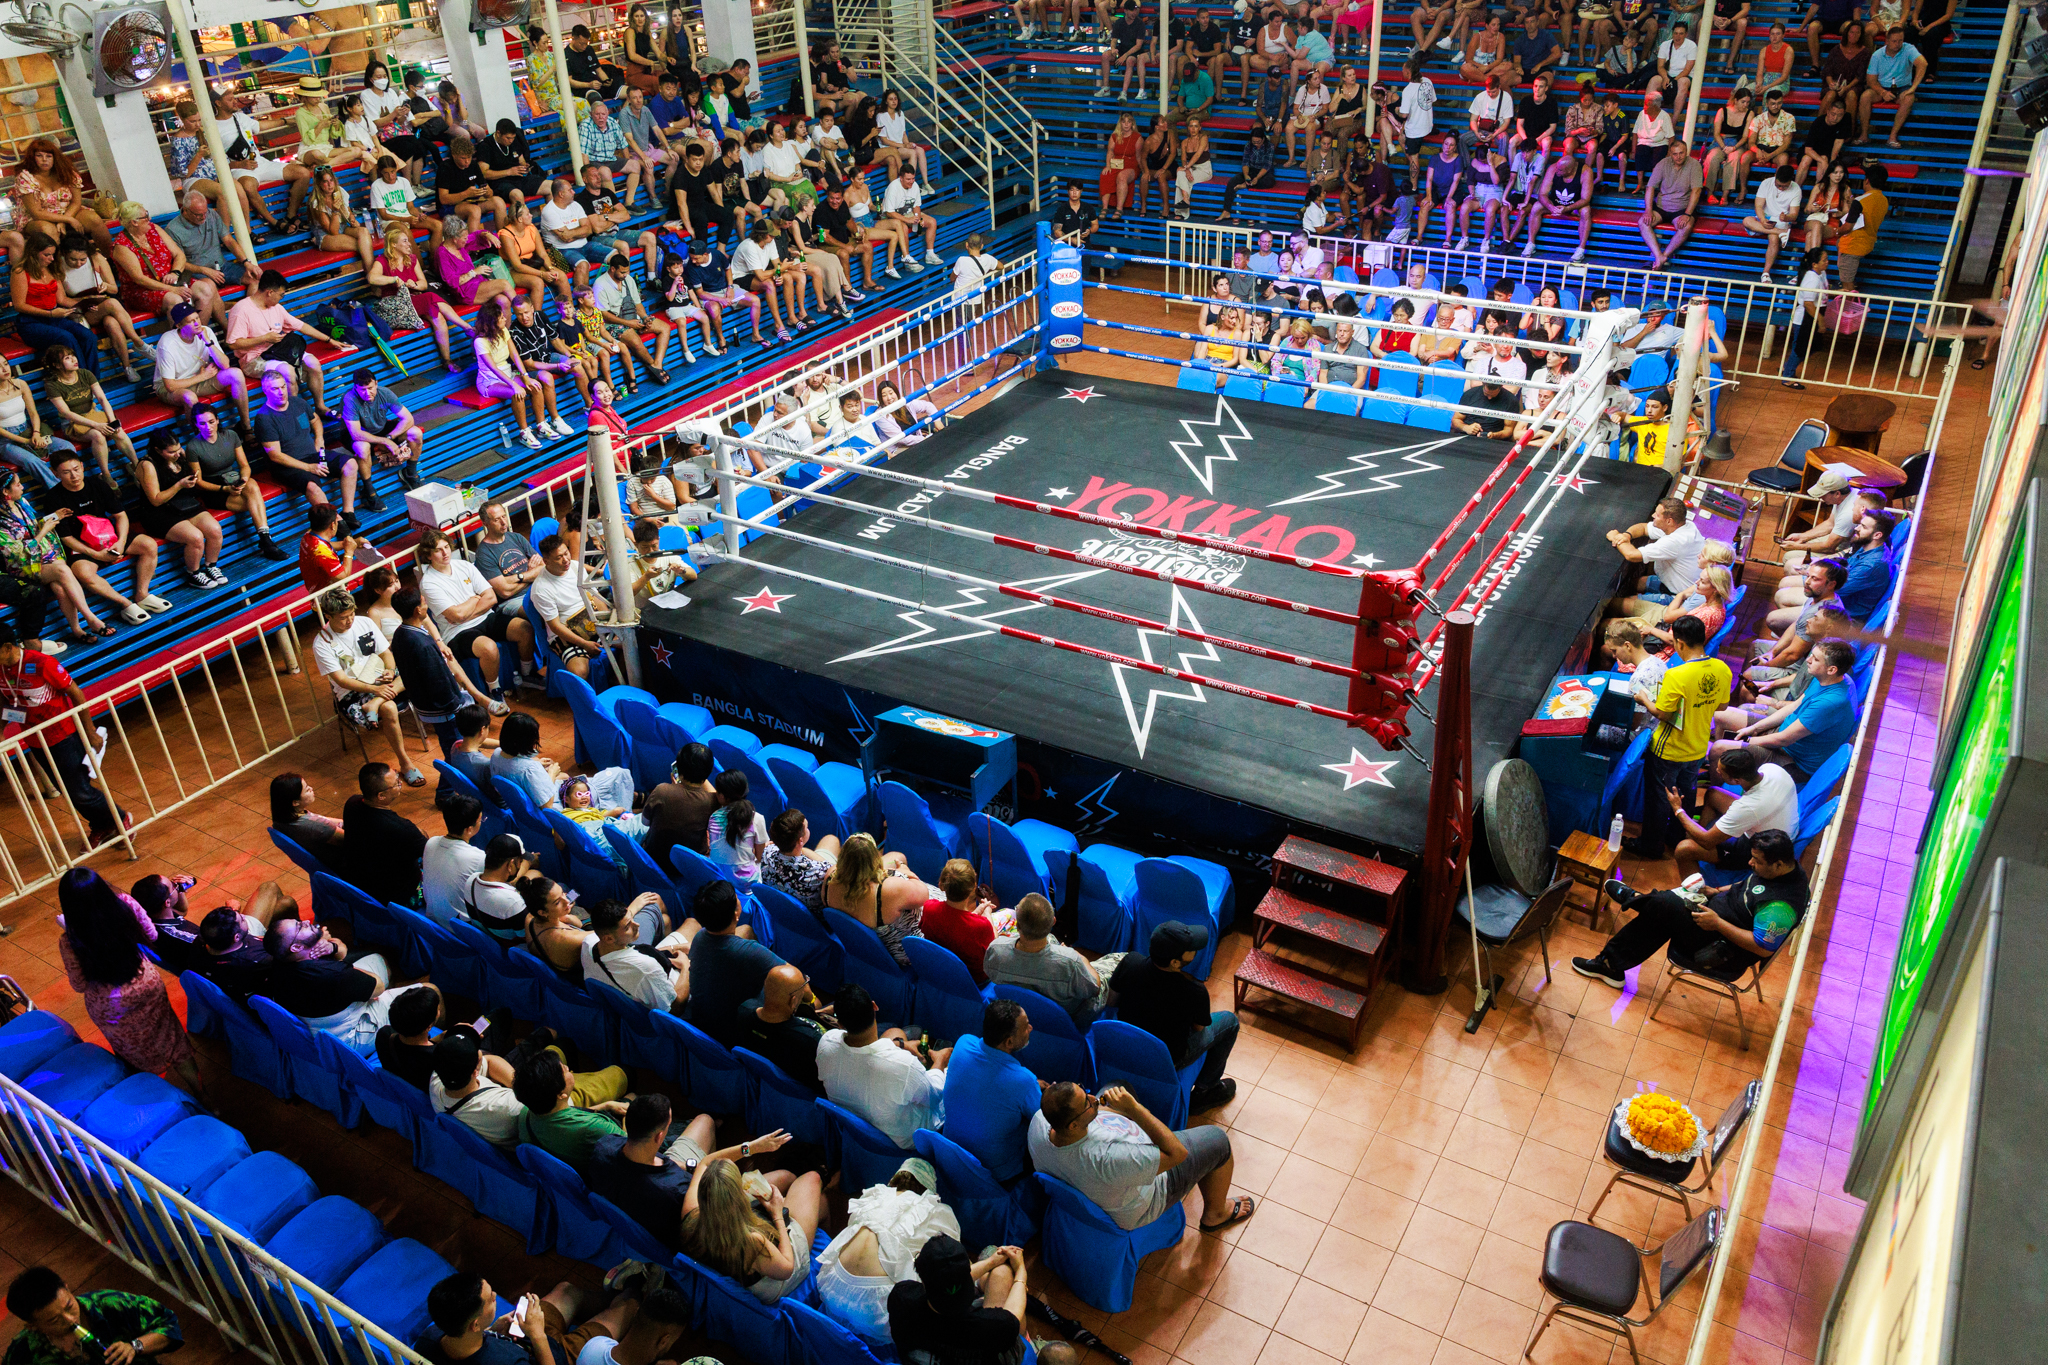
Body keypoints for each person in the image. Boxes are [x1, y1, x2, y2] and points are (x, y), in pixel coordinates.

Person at [1575, 828, 1808, 988]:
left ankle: (1633, 899)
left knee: (1665, 905)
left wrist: (1718, 923)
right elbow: (1747, 886)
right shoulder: (1783, 870)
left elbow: (1763, 948)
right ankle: (1610, 965)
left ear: (1778, 864)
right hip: (1713, 918)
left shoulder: (1780, 908)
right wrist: (1716, 892)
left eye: (1756, 861)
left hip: (1720, 949)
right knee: (1662, 912)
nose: (1750, 863)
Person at [1029, 1081, 1252, 1232]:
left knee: (1115, 1085)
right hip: (1150, 1195)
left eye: (1083, 1090)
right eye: (1086, 1103)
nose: (1091, 1097)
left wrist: (1115, 1109)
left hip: (1095, 1178)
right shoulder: (1108, 1160)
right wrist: (1134, 1109)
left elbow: (1093, 1117)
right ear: (1074, 1124)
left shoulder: (1039, 1122)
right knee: (1218, 1140)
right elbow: (1176, 1154)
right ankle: (1216, 1214)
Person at [589, 1090, 794, 1252]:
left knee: (705, 1120)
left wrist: (689, 1166)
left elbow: (678, 1165)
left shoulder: (603, 1147)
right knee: (784, 1177)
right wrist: (751, 1148)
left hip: (650, 1184)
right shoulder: (677, 1191)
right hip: (698, 1207)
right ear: (660, 1137)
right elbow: (707, 1166)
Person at [56, 867, 202, 1094]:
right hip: (145, 984)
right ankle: (203, 1096)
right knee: (171, 1037)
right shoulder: (126, 903)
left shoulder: (70, 940)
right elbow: (152, 935)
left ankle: (155, 1098)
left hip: (110, 1006)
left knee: (132, 1053)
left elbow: (80, 984)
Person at [0, 621, 128, 839]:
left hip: (63, 736)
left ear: (6, 647)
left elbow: (76, 693)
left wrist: (89, 731)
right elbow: (5, 702)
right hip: (35, 740)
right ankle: (101, 825)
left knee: (81, 791)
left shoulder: (41, 663)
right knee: (69, 791)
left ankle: (120, 819)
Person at [1626, 613, 1728, 859]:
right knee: (1686, 794)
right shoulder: (1722, 669)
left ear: (1679, 643)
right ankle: (1676, 837)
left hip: (1668, 749)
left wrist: (1643, 698)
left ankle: (1651, 846)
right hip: (1697, 746)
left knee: (1659, 799)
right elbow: (1722, 706)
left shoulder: (1677, 675)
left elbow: (1661, 712)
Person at [1108, 922, 1238, 1112]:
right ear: (1175, 962)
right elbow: (1199, 1028)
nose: (1195, 950)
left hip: (1127, 1045)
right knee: (1230, 1022)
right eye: (1191, 949)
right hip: (1167, 1058)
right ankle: (1206, 1090)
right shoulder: (1195, 991)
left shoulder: (1130, 962)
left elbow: (1111, 1001)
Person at [313, 586, 425, 786]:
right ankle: (406, 763)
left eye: (352, 614)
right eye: (343, 617)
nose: (350, 621)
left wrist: (390, 671)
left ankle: (374, 704)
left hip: (379, 678)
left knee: (415, 670)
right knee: (390, 707)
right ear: (328, 616)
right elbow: (341, 680)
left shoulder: (364, 623)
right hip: (353, 692)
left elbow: (386, 655)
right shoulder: (322, 643)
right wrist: (374, 690)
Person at [264, 916, 423, 1053]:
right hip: (349, 1036)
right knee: (429, 992)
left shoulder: (280, 961)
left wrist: (330, 946)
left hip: (324, 1021)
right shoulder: (332, 974)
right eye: (300, 926)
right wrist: (344, 966)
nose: (306, 921)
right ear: (297, 947)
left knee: (379, 960)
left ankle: (387, 1001)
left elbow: (342, 951)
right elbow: (378, 986)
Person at [818, 983, 949, 1148]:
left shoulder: (826, 1042)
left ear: (841, 1023)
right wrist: (939, 1062)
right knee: (953, 1069)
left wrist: (898, 1045)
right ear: (874, 1007)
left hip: (859, 1128)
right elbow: (935, 1097)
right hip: (907, 1139)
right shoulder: (903, 1066)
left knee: (893, 1033)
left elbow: (861, 1053)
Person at [416, 1270, 630, 1365]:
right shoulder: (505, 1362)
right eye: (491, 1299)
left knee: (567, 1291)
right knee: (626, 1309)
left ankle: (619, 1289)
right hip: (554, 1355)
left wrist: (490, 1331)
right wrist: (538, 1335)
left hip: (522, 1337)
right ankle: (637, 1284)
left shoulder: (429, 1339)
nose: (496, 1297)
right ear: (474, 1323)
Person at [941, 997, 1046, 1183]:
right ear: (1009, 1042)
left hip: (951, 1155)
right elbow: (1044, 1122)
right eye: (1026, 1026)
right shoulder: (1023, 1080)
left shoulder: (963, 1043)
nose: (1030, 1029)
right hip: (996, 1174)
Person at [886, 1237, 1030, 1365]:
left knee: (992, 1275)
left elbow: (943, 1283)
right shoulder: (992, 1326)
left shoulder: (902, 1298)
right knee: (1002, 1272)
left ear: (923, 1281)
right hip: (992, 1348)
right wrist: (1020, 1271)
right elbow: (1013, 1316)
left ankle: (984, 1282)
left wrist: (991, 1262)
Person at [2, 1267, 181, 1365]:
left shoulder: (110, 1304)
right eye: (54, 1320)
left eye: (69, 1306)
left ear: (67, 1288)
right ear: (33, 1326)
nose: (71, 1319)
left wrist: (135, 1347)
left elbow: (169, 1324)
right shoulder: (24, 1351)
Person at [1667, 744, 1799, 876]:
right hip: (1776, 825)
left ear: (1736, 780)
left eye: (1720, 772)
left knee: (1684, 849)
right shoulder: (1772, 769)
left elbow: (1707, 842)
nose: (1717, 771)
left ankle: (1695, 893)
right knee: (1713, 794)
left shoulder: (1747, 807)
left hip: (1765, 847)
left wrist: (1678, 809)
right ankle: (1696, 836)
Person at [685, 880, 783, 1045]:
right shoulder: (748, 952)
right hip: (735, 1034)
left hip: (703, 1025)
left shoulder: (700, 937)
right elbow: (793, 977)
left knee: (746, 930)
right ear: (736, 914)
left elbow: (743, 934)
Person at [984, 893, 1101, 1024]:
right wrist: (1079, 956)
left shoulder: (996, 949)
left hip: (1017, 1010)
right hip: (1062, 1019)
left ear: (1017, 925)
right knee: (1117, 959)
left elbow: (990, 974)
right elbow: (1094, 988)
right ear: (1053, 922)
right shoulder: (1070, 961)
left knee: (1051, 940)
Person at [824, 832, 929, 968]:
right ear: (875, 860)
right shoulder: (889, 890)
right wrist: (906, 871)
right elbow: (924, 895)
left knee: (895, 856)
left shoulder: (829, 878)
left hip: (860, 945)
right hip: (898, 952)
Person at [342, 760, 429, 907]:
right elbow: (429, 853)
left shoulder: (352, 804)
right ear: (381, 796)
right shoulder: (402, 829)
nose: (400, 784)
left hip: (360, 884)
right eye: (396, 784)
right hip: (396, 896)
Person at [342, 369, 422, 493]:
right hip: (356, 434)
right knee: (362, 449)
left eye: (370, 388)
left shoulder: (384, 393)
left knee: (415, 433)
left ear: (376, 384)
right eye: (362, 390)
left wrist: (390, 438)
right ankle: (368, 490)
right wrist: (385, 441)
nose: (367, 393)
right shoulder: (349, 399)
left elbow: (408, 418)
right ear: (355, 388)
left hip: (381, 428)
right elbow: (356, 433)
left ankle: (410, 472)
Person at [643, 740, 720, 866]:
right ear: (709, 772)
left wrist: (678, 787)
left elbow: (645, 822)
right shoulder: (713, 802)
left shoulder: (662, 790)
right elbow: (718, 798)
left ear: (678, 768)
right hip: (686, 867)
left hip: (652, 861)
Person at [423, 792, 486, 926]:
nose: (481, 822)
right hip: (460, 927)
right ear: (469, 829)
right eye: (480, 820)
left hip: (432, 918)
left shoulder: (431, 842)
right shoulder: (478, 857)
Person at [1860, 26, 1925, 148]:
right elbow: (1870, 80)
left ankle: (1892, 136)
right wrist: (1883, 92)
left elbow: (1923, 64)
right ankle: (1864, 135)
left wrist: (1913, 88)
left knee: (1909, 99)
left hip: (1902, 86)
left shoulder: (1908, 48)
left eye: (1900, 40)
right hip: (1882, 86)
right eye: (1894, 41)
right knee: (1865, 96)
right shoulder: (1877, 55)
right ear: (1887, 41)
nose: (1898, 44)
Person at [1835, 163, 1890, 289]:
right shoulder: (1884, 200)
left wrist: (1837, 231)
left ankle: (1848, 307)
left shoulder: (1859, 201)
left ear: (1867, 181)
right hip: (1868, 242)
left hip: (1851, 246)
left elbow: (1848, 227)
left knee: (1847, 285)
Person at [882, 168, 944, 268]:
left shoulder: (914, 185)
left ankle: (930, 254)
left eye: (913, 178)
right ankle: (908, 262)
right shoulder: (893, 187)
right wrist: (907, 220)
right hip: (893, 216)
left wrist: (917, 218)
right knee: (904, 228)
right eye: (908, 179)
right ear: (901, 178)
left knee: (932, 222)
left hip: (908, 213)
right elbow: (889, 212)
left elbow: (916, 206)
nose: (911, 181)